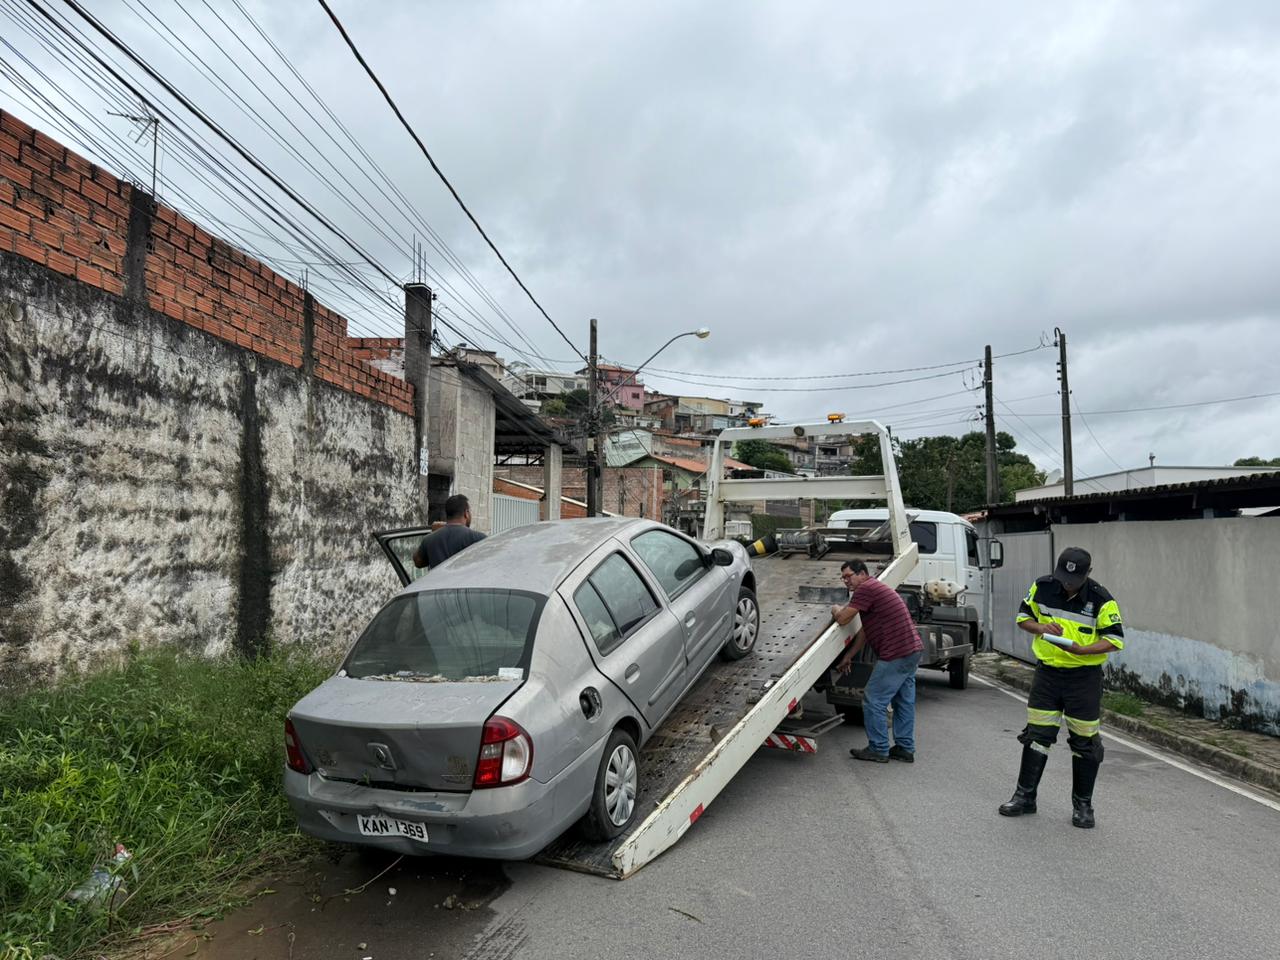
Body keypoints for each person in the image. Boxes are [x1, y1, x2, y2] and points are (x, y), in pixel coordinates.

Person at [999, 547, 1124, 829]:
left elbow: (1114, 640)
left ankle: (1083, 806)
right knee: (1037, 735)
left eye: (1074, 580)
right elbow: (1023, 619)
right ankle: (1024, 797)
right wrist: (1041, 629)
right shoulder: (1043, 587)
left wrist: (1084, 649)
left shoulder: (1102, 599)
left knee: (1085, 742)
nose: (1067, 584)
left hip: (1083, 678)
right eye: (1063, 578)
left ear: (1087, 574)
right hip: (1048, 675)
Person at [831, 559, 924, 763]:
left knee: (873, 700)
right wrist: (849, 656)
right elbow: (865, 631)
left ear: (862, 573)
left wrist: (835, 608)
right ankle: (905, 748)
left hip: (896, 653)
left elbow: (843, 618)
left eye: (849, 576)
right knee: (903, 702)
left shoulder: (865, 589)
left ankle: (878, 748)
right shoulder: (876, 590)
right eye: (843, 577)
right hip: (911, 650)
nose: (846, 581)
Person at [412, 494, 486, 569]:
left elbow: (418, 562)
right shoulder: (480, 538)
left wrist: (435, 534)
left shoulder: (428, 539)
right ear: (466, 513)